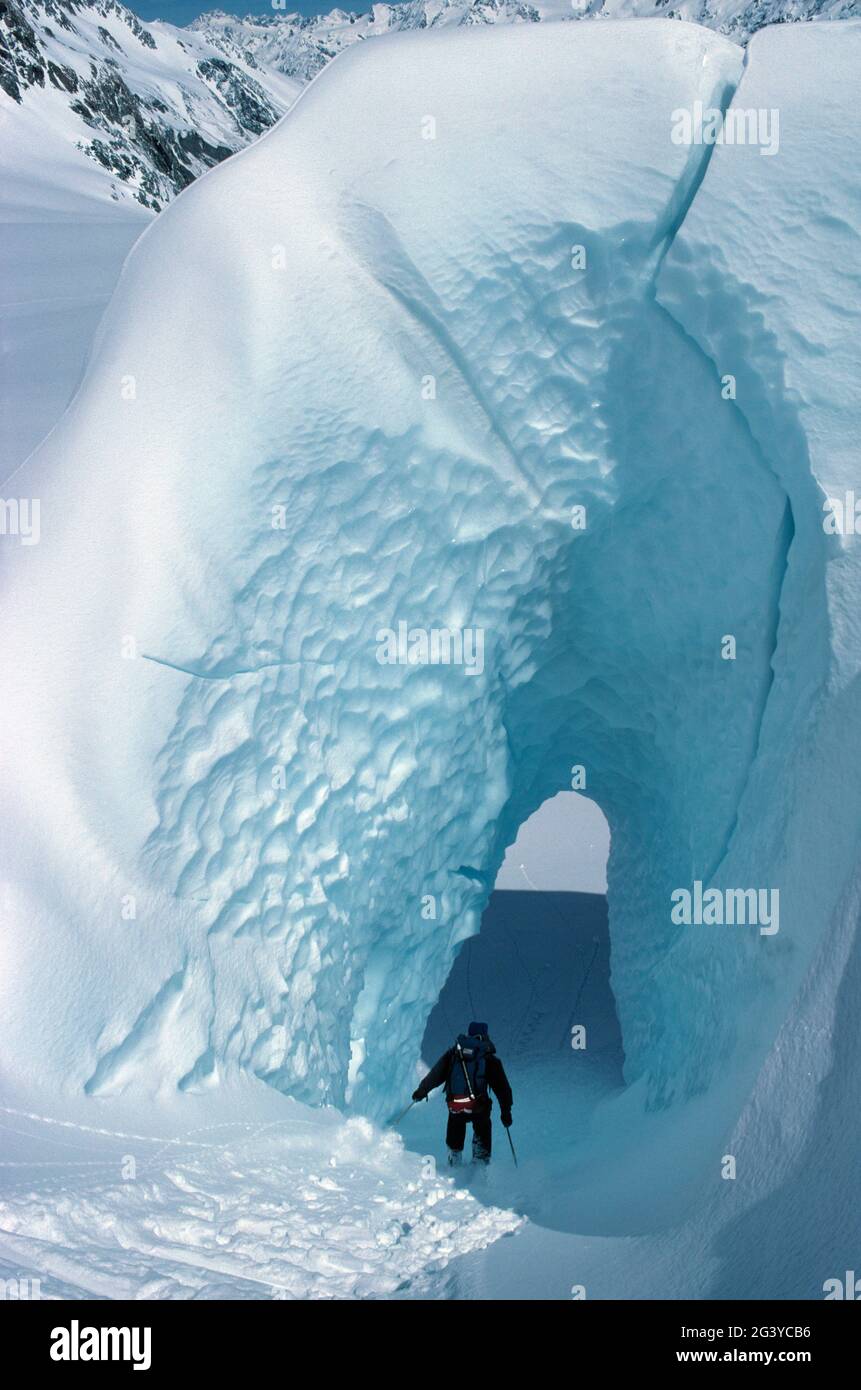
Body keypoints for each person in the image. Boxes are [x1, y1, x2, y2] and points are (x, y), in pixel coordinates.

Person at [412, 1021, 513, 1166]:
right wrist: (506, 1111)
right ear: (485, 1035)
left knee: (455, 1121)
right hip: (479, 1106)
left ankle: (454, 1157)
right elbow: (502, 1088)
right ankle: (480, 1160)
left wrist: (421, 1091)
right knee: (482, 1125)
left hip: (456, 1104)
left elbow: (436, 1075)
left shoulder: (454, 1053)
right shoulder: (488, 1057)